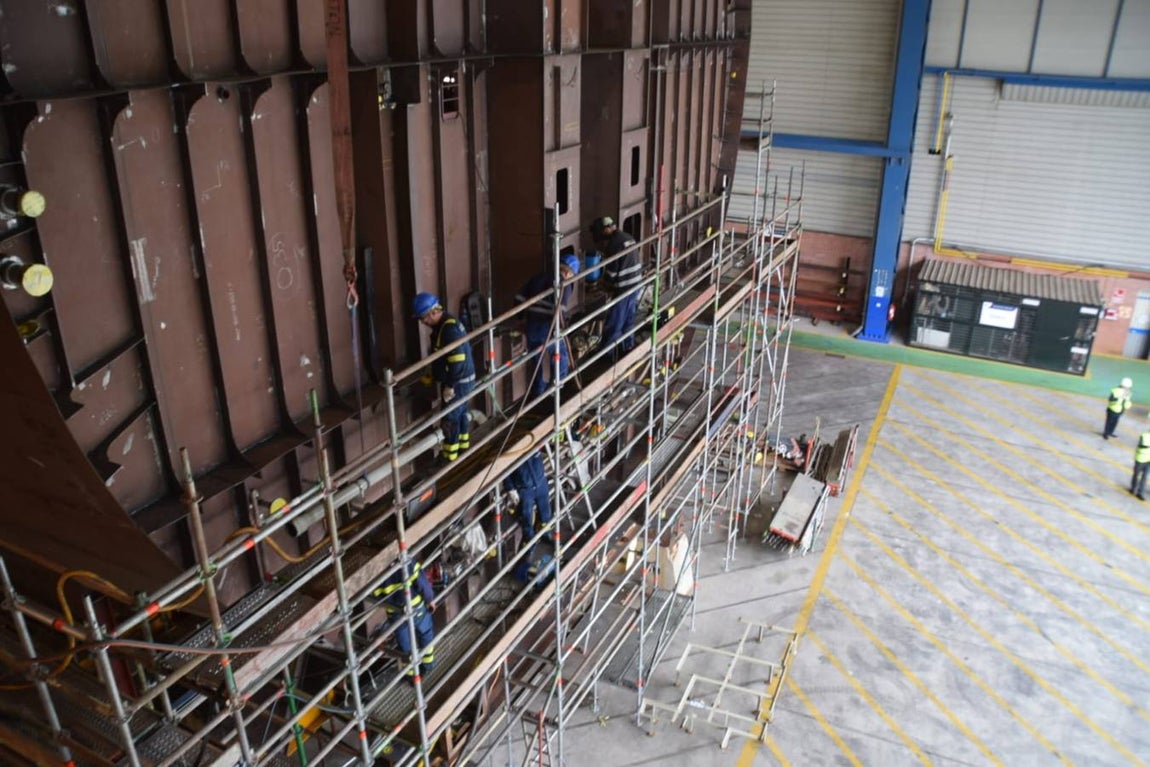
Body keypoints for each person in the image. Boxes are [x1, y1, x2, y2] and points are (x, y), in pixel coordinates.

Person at [414, 292, 475, 461]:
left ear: (433, 312)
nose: (423, 322)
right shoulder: (446, 325)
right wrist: (433, 375)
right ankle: (463, 448)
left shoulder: (449, 330)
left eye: (423, 318)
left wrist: (450, 386)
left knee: (450, 420)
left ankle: (449, 458)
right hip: (463, 381)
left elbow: (457, 361)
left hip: (458, 383)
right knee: (461, 414)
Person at [515, 254, 580, 397]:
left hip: (531, 326)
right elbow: (561, 313)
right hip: (547, 327)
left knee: (536, 359)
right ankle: (556, 387)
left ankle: (537, 391)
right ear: (568, 272)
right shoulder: (563, 284)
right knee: (560, 354)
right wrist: (562, 329)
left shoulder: (538, 277)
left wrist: (520, 319)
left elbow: (519, 297)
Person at [371, 560, 437, 680]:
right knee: (426, 632)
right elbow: (422, 583)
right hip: (416, 608)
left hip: (396, 615)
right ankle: (429, 663)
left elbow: (377, 595)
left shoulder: (375, 571)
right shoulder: (406, 560)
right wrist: (430, 599)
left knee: (405, 645)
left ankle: (412, 676)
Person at [589, 216, 642, 358]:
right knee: (628, 320)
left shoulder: (614, 244)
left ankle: (607, 355)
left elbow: (611, 274)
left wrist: (602, 284)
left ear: (606, 230)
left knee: (614, 322)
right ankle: (627, 347)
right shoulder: (627, 236)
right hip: (636, 284)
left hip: (625, 288)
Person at [503, 450, 553, 544]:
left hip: (540, 482)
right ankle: (529, 540)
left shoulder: (531, 442)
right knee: (527, 516)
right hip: (525, 489)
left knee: (545, 511)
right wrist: (510, 488)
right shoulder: (511, 451)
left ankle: (545, 533)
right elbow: (506, 471)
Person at [1132, 430, 1150, 500]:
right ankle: (1133, 488)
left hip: (1148, 460)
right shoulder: (1144, 436)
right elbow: (1141, 445)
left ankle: (1140, 492)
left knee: (1144, 477)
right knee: (1136, 474)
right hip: (1140, 459)